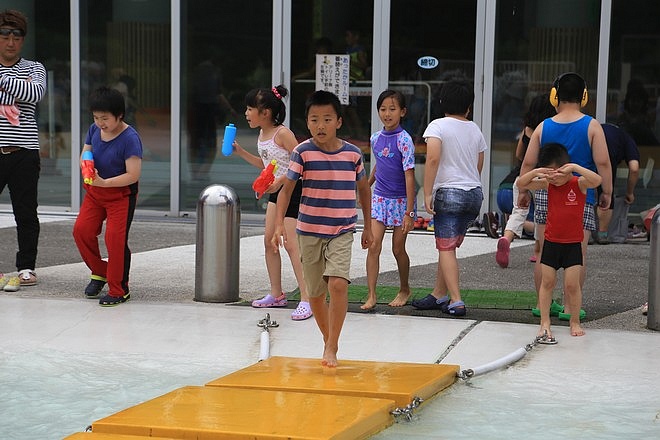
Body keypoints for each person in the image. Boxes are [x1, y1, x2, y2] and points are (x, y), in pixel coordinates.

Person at [271, 90, 373, 367]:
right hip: (309, 231)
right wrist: (279, 223)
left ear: (339, 121)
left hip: (342, 229)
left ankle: (332, 345)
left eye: (327, 119)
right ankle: (329, 340)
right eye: (314, 119)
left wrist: (367, 227)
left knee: (338, 284)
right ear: (307, 123)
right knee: (315, 293)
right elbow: (287, 189)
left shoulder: (353, 155)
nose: (320, 125)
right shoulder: (302, 152)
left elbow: (363, 189)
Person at [519, 72, 612, 320]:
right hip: (580, 194)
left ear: (554, 96)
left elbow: (528, 164)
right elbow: (602, 163)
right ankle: (571, 308)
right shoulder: (592, 125)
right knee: (577, 254)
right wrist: (607, 192)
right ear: (584, 97)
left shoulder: (543, 126)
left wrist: (523, 192)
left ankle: (543, 305)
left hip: (546, 194)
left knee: (542, 250)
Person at [232, 85, 312, 321]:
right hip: (276, 192)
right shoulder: (262, 133)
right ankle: (277, 294)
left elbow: (302, 163)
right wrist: (241, 153)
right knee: (270, 242)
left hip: (293, 190)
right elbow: (266, 164)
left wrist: (281, 181)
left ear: (265, 112)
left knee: (291, 245)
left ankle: (307, 299)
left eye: (249, 109)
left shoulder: (282, 133)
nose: (246, 113)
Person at [412, 80, 486, 317]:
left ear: (442, 103)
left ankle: (456, 300)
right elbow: (479, 163)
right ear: (469, 107)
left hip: (449, 193)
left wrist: (427, 191)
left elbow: (432, 159)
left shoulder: (437, 126)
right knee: (449, 247)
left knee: (446, 248)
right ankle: (438, 294)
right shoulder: (475, 129)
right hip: (473, 193)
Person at [518, 143, 602, 341]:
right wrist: (538, 172)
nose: (553, 179)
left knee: (572, 285)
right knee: (547, 283)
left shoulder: (578, 183)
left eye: (557, 174)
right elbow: (521, 183)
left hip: (572, 244)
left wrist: (574, 168)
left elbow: (597, 180)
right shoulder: (547, 184)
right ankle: (545, 322)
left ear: (565, 169)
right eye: (550, 175)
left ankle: (574, 321)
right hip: (552, 242)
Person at [72, 86, 143, 306]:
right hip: (95, 193)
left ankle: (119, 289)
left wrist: (105, 182)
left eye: (105, 118)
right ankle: (101, 272)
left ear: (119, 115)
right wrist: (85, 165)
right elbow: (86, 151)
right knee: (81, 231)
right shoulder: (94, 129)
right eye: (96, 117)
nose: (100, 123)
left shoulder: (130, 138)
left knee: (115, 240)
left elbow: (133, 175)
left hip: (120, 196)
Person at [0, 9, 47, 291]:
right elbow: (23, 93)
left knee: (26, 212)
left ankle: (26, 267)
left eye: (16, 36)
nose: (10, 42)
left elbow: (35, 94)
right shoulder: (24, 75)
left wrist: (3, 80)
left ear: (23, 40)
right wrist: (18, 87)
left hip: (25, 151)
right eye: (4, 35)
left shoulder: (34, 67)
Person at [362, 90, 416, 310]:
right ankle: (372, 295)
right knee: (374, 246)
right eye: (383, 109)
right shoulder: (376, 138)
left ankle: (405, 288)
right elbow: (379, 164)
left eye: (392, 109)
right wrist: (366, 187)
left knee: (397, 249)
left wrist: (409, 212)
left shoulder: (405, 140)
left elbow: (409, 175)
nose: (387, 113)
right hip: (380, 200)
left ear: (402, 112)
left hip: (401, 202)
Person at [494, 93, 556, 268]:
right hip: (543, 177)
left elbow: (519, 154)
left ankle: (506, 238)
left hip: (525, 175)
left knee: (518, 211)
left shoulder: (528, 130)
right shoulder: (550, 129)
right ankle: (538, 251)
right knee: (542, 215)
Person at [595, 123, 640, 244]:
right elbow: (634, 168)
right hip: (610, 154)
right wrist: (630, 192)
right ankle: (602, 234)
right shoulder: (626, 139)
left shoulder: (595, 128)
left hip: (587, 146)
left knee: (584, 189)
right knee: (606, 193)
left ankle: (585, 232)